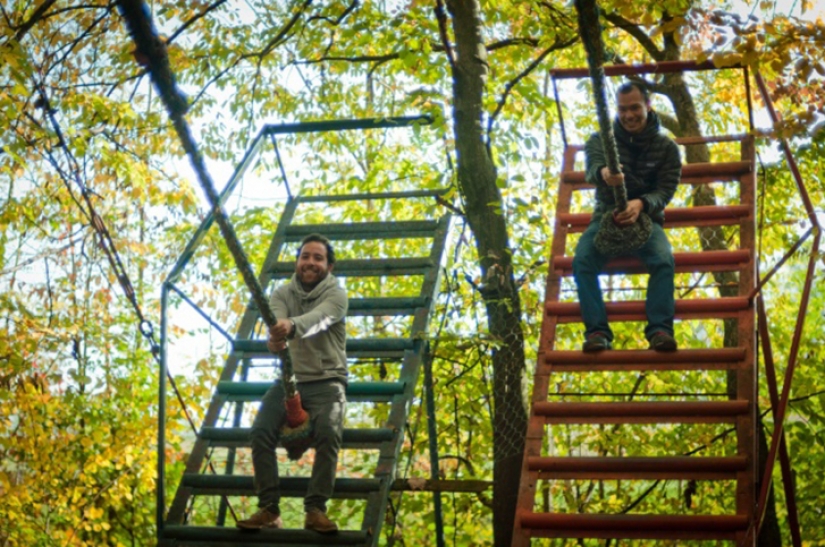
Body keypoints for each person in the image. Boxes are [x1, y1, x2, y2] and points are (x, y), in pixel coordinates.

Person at [237, 233, 348, 533]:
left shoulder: (337, 296)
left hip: (328, 383)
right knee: (259, 431)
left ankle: (315, 509)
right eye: (305, 257)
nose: (310, 263)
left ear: (329, 266)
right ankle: (270, 508)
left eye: (318, 258)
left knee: (328, 432)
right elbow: (277, 321)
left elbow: (318, 319)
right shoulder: (281, 293)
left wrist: (290, 327)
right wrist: (274, 339)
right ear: (298, 261)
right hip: (291, 382)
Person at [572, 81, 682, 353]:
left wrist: (641, 204)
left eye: (635, 108)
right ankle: (597, 331)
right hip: (606, 215)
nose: (629, 115)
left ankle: (659, 329)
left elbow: (665, 191)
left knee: (663, 260)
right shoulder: (601, 140)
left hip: (647, 218)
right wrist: (605, 175)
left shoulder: (667, 148)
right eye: (623, 109)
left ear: (648, 105)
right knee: (582, 261)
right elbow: (593, 169)